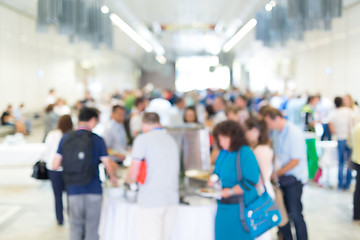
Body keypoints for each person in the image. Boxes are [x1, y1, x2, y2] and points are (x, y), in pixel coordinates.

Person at [53, 107, 118, 240]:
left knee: (75, 226)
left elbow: (55, 165)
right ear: (92, 120)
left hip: (73, 189)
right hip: (94, 189)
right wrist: (113, 178)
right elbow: (107, 164)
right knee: (92, 228)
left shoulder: (65, 138)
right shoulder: (97, 139)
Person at [125, 112, 179, 240]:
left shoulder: (143, 139)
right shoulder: (171, 140)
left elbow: (134, 170)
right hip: (171, 199)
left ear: (143, 124)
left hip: (151, 199)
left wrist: (127, 181)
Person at [263, 107, 308, 240]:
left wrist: (275, 174)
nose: (269, 127)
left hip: (293, 180)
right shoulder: (277, 133)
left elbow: (295, 161)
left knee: (296, 214)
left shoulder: (294, 133)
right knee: (284, 214)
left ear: (276, 118)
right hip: (281, 179)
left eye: (269, 123)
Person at [212, 120, 260, 240]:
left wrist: (231, 191)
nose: (222, 142)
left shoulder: (244, 152)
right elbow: (217, 172)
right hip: (223, 207)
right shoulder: (223, 153)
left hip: (240, 208)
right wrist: (213, 180)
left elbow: (251, 180)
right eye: (220, 139)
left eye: (225, 138)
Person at [244, 117, 275, 240]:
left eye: (247, 130)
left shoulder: (260, 150)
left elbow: (259, 178)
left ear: (255, 130)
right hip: (261, 191)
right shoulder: (260, 147)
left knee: (260, 232)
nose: (245, 134)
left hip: (260, 193)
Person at [43, 115, 73, 225]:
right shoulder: (71, 135)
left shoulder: (52, 134)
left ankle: (59, 219)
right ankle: (71, 216)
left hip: (53, 169)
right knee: (70, 194)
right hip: (68, 169)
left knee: (57, 195)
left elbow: (47, 151)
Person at [328, 97, 354, 190]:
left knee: (341, 162)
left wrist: (337, 132)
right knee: (349, 163)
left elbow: (331, 127)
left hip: (340, 138)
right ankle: (347, 184)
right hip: (349, 138)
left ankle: (340, 184)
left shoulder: (334, 113)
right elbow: (353, 123)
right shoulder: (348, 111)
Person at [350, 121, 360, 222]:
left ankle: (356, 214)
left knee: (358, 190)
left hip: (356, 159)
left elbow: (350, 143)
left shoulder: (356, 126)